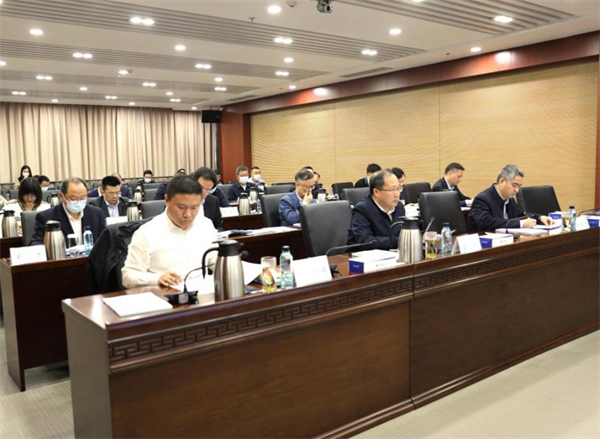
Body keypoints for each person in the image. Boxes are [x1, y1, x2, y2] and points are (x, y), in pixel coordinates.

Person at [121, 175, 218, 288]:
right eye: (181, 207)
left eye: (194, 208)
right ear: (167, 200)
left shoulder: (205, 225)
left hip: (202, 293)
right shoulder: (147, 233)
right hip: (165, 293)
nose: (188, 214)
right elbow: (128, 277)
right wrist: (157, 279)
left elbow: (214, 259)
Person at [466, 164, 552, 233]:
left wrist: (539, 218)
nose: (517, 190)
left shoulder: (509, 198)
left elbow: (520, 215)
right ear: (502, 181)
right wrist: (521, 223)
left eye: (519, 186)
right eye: (514, 185)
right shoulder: (482, 199)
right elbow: (486, 223)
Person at [30, 177, 106, 246]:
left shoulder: (96, 214)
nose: (78, 202)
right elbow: (36, 243)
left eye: (82, 198)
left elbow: (105, 241)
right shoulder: (46, 217)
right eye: (73, 199)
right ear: (62, 196)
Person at [347, 170, 406, 250]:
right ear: (376, 192)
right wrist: (399, 241)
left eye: (399, 188)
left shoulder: (399, 207)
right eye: (392, 190)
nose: (397, 194)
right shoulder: (362, 210)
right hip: (364, 255)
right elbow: (365, 241)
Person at [193, 167, 224, 231]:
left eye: (207, 190)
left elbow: (219, 227)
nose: (203, 192)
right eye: (201, 187)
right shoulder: (184, 201)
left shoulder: (213, 201)